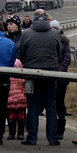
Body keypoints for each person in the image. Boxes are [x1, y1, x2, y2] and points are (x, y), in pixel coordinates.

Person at [17, 10, 62, 145]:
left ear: (33, 19)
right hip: (50, 73)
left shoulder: (26, 34)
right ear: (47, 19)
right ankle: (53, 138)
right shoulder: (55, 33)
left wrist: (28, 64)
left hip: (31, 73)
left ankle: (32, 137)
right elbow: (58, 53)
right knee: (51, 106)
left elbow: (21, 53)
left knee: (32, 105)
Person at [51, 19, 72, 136]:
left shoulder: (64, 42)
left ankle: (60, 128)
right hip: (50, 75)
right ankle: (52, 127)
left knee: (59, 103)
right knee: (51, 104)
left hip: (61, 77)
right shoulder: (47, 41)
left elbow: (67, 58)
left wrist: (59, 70)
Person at [6, 59, 28, 141]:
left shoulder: (9, 78)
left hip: (11, 100)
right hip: (21, 100)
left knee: (11, 117)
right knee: (21, 117)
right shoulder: (22, 79)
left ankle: (11, 133)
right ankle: (20, 133)